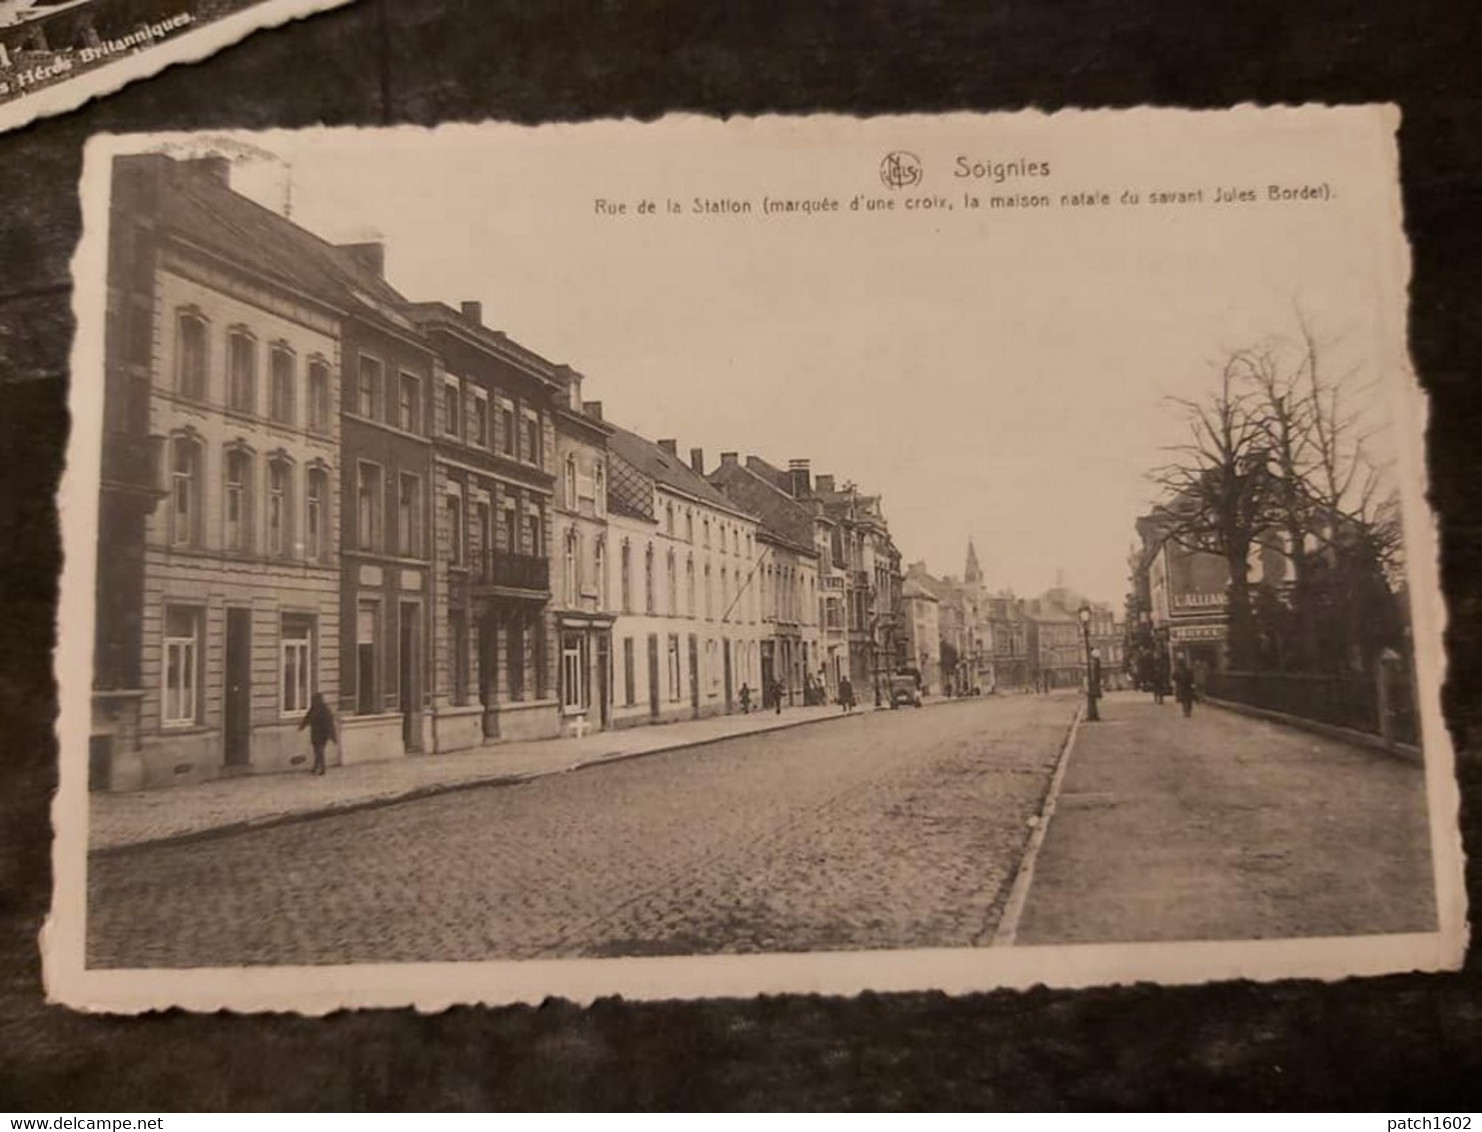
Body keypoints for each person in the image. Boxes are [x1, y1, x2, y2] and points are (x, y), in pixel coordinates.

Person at [298, 691, 337, 776]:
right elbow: (307, 718)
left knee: (319, 751)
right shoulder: (316, 709)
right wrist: (302, 726)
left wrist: (333, 736)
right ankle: (316, 767)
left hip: (322, 735)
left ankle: (322, 768)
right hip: (316, 734)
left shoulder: (324, 710)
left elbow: (329, 724)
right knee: (317, 751)